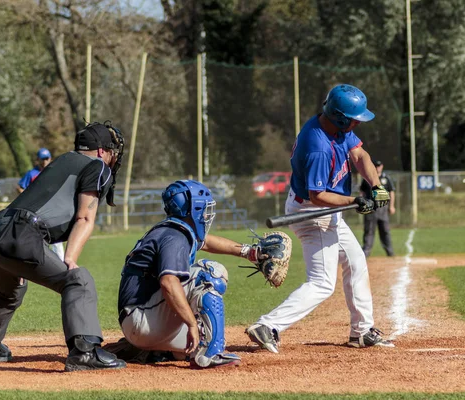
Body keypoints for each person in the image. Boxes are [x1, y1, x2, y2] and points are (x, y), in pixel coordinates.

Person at [245, 84, 394, 353]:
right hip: (313, 213)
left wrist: (376, 186)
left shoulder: (337, 130)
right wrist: (354, 201)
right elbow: (318, 195)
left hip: (325, 208)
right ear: (340, 117)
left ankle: (361, 331)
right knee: (323, 283)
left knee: (355, 260)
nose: (358, 125)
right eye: (355, 120)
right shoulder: (318, 146)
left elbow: (359, 155)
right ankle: (268, 325)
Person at [0, 121, 127, 372]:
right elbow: (84, 218)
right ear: (101, 151)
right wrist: (71, 258)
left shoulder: (61, 161)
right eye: (112, 150)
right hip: (20, 233)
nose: (113, 156)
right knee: (78, 280)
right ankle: (84, 352)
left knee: (10, 290)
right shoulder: (98, 167)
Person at [105, 179, 280, 368]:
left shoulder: (171, 230)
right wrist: (190, 324)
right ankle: (211, 354)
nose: (206, 213)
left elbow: (207, 242)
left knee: (188, 347)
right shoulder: (175, 237)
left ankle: (149, 349)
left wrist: (249, 252)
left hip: (140, 320)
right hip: (143, 320)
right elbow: (168, 283)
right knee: (210, 273)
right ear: (192, 209)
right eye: (203, 207)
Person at [16, 148, 65, 261]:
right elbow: (20, 187)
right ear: (37, 160)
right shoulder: (32, 174)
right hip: (36, 210)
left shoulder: (54, 172)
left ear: (50, 159)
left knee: (56, 238)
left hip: (52, 209)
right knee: (36, 237)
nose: (44, 161)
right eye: (42, 159)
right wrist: (29, 198)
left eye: (46, 159)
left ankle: (61, 264)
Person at [360, 160, 396, 257]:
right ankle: (366, 253)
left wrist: (392, 206)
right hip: (370, 208)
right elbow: (362, 192)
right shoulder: (367, 177)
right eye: (375, 166)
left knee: (385, 231)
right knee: (369, 231)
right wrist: (362, 204)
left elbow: (391, 192)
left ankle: (390, 253)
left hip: (383, 209)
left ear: (382, 166)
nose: (377, 167)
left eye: (379, 166)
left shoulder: (386, 178)